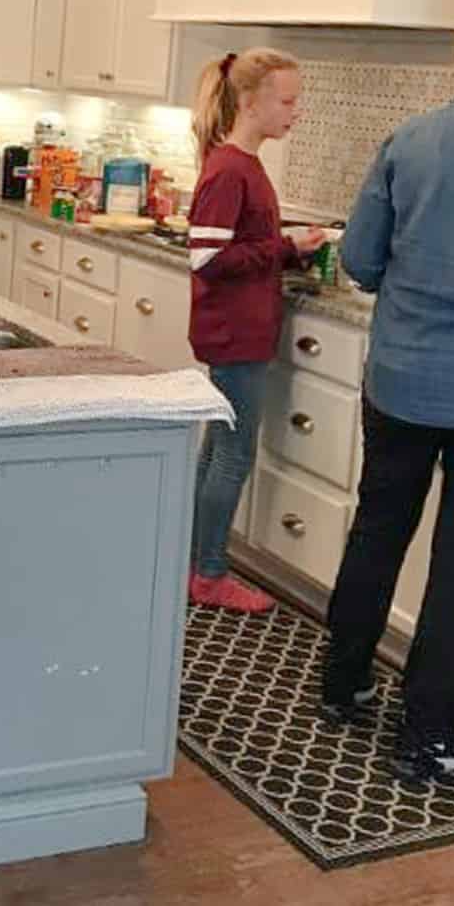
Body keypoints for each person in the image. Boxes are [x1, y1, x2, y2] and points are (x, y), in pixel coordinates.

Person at [322, 0, 454, 779]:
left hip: (400, 377)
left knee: (378, 526)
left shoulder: (412, 138)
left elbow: (361, 262)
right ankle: (428, 735)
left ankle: (342, 684)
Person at [187, 49, 325, 613]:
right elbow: (205, 257)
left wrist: (288, 243)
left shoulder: (242, 164)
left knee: (216, 448)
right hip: (236, 334)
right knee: (233, 454)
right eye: (287, 101)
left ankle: (192, 561)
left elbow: (234, 243)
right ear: (249, 102)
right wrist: (287, 248)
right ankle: (210, 573)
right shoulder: (230, 168)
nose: (297, 112)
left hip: (238, 330)